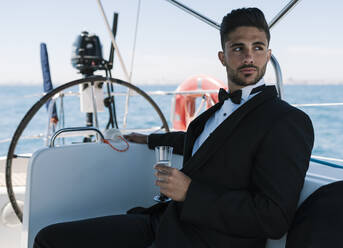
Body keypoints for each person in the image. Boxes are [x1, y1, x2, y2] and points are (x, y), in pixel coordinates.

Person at [34, 7, 314, 248]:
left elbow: (273, 218)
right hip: (165, 222)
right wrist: (148, 139)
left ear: (268, 53)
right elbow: (205, 142)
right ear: (223, 56)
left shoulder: (286, 121)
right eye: (238, 48)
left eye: (258, 47)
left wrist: (191, 193)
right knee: (49, 239)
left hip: (207, 241)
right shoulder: (214, 114)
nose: (249, 57)